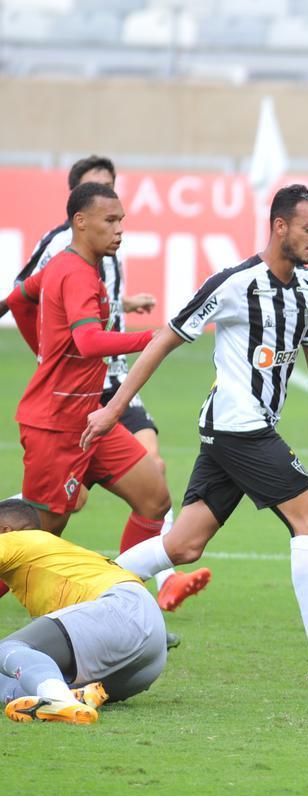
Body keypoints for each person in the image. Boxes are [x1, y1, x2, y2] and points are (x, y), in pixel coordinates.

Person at [82, 184, 308, 689]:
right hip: (237, 425)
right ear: (280, 226)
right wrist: (115, 408)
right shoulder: (233, 284)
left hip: (245, 429)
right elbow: (166, 339)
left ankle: (86, 586)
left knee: (183, 546)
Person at [4, 156, 207, 613]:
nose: (119, 230)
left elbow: (20, 297)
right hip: (56, 424)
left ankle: (118, 602)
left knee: (154, 498)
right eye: (110, 220)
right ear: (80, 222)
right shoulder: (75, 271)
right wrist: (157, 336)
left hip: (91, 418)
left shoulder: (70, 264)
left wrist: (39, 345)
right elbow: (88, 339)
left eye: (122, 221)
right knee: (42, 532)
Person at [0, 498, 167, 725]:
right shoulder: (51, 556)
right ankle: (72, 697)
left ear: (5, 530)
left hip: (120, 609)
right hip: (145, 660)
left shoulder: (15, 540)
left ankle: (60, 701)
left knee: (9, 649)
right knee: (20, 675)